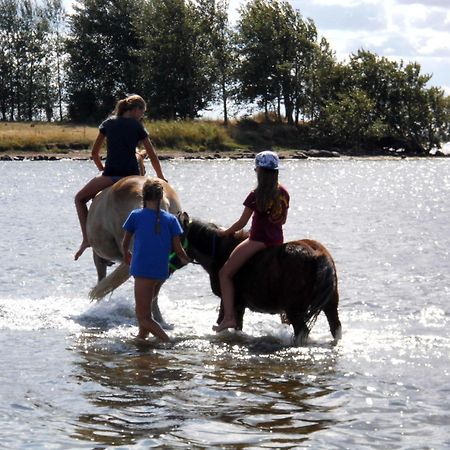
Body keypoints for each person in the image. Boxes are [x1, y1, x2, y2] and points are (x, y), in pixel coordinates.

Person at [74, 94, 166, 260]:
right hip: (132, 174)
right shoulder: (137, 126)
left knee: (79, 199)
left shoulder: (108, 123)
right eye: (142, 112)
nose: (142, 116)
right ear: (136, 109)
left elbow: (94, 153)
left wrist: (102, 169)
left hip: (111, 175)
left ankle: (87, 240)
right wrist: (161, 177)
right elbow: (152, 155)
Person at [214, 150, 290, 332]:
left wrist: (226, 232)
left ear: (258, 171)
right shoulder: (284, 193)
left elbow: (242, 223)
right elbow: (284, 220)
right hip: (278, 241)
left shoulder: (255, 195)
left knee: (224, 273)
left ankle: (230, 318)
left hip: (257, 240)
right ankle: (286, 319)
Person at [122, 179, 190, 342]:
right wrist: (185, 258)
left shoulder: (136, 216)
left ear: (143, 196)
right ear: (161, 198)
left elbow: (125, 243)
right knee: (146, 310)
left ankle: (168, 342)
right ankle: (141, 338)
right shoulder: (171, 220)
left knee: (143, 316)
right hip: (161, 271)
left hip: (143, 270)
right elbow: (178, 248)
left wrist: (126, 254)